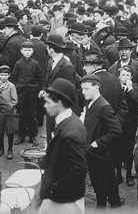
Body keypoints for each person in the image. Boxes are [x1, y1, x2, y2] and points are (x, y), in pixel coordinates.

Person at [39, 78, 88, 214]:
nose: (45, 106)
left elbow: (79, 169)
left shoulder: (69, 132)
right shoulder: (72, 121)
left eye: (48, 102)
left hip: (64, 201)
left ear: (59, 103)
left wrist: (54, 188)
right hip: (63, 197)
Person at [80, 75, 125, 208]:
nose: (83, 92)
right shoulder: (90, 102)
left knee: (99, 185)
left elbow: (116, 130)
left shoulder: (104, 106)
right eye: (82, 89)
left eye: (86, 89)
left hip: (99, 153)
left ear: (96, 88)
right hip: (97, 152)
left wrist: (97, 143)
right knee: (109, 177)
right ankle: (114, 201)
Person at [39, 34, 77, 141]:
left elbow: (69, 92)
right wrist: (44, 90)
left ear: (51, 49)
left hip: (60, 109)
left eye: (47, 47)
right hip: (52, 106)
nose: (46, 49)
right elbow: (47, 80)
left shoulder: (67, 67)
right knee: (50, 134)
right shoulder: (51, 62)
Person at [10, 41, 43, 146]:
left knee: (32, 114)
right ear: (21, 51)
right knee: (22, 115)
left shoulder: (35, 64)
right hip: (21, 92)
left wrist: (39, 89)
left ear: (32, 51)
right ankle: (22, 135)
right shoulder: (18, 63)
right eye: (25, 50)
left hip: (32, 92)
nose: (27, 52)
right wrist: (16, 88)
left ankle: (33, 136)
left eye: (29, 50)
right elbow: (13, 78)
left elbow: (40, 78)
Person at [118, 65, 138, 187]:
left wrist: (130, 89)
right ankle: (118, 174)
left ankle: (128, 174)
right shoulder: (116, 87)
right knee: (118, 148)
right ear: (119, 76)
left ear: (131, 77)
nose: (125, 77)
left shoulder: (135, 88)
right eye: (123, 75)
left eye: (128, 75)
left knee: (129, 150)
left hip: (130, 123)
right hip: (118, 123)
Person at [0, 65, 18, 159]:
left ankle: (10, 149)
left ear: (9, 75)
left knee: (9, 131)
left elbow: (15, 101)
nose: (3, 77)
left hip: (9, 113)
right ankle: (1, 148)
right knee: (0, 131)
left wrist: (8, 107)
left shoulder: (11, 86)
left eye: (6, 75)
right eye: (2, 74)